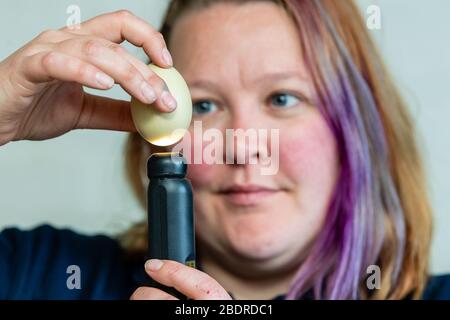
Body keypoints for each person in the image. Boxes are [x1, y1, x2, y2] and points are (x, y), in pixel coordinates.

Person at [0, 0, 448, 300]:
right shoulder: (40, 274)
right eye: (205, 105)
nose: (242, 146)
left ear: (354, 128)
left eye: (282, 98)